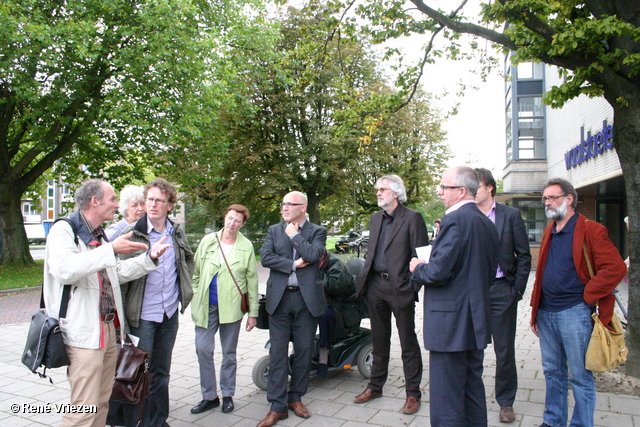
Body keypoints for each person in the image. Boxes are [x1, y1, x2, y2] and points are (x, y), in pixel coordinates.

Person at [43, 179, 170, 427]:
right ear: (95, 201)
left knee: (101, 403)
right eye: (112, 199)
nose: (116, 205)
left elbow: (114, 275)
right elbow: (65, 270)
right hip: (84, 336)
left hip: (107, 333)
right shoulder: (64, 230)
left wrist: (148, 259)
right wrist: (111, 249)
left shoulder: (96, 234)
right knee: (83, 410)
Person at [530, 178, 627, 427]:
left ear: (569, 199)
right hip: (546, 312)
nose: (548, 203)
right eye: (545, 199)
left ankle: (582, 423)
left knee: (581, 376)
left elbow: (615, 268)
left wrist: (588, 294)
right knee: (553, 372)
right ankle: (553, 421)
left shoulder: (591, 229)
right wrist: (535, 310)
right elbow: (541, 273)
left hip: (574, 313)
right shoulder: (549, 230)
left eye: (552, 197)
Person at [410, 166, 499, 427]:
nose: (440, 191)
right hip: (474, 320)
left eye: (444, 187)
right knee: (471, 389)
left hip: (450, 324)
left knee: (446, 396)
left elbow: (437, 273)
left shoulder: (455, 220)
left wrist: (418, 267)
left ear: (461, 191)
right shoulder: (485, 221)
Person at [119, 178, 195, 427]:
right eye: (149, 199)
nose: (152, 204)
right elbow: (117, 272)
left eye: (159, 200)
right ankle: (136, 421)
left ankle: (158, 421)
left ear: (170, 205)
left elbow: (187, 260)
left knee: (161, 372)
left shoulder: (176, 231)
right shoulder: (133, 233)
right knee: (139, 373)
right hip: (141, 317)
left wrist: (183, 290)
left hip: (168, 314)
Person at [353, 174, 429, 414]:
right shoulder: (375, 218)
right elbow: (373, 252)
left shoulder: (413, 218)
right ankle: (375, 386)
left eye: (383, 189)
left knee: (408, 342)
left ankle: (413, 394)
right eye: (377, 189)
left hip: (400, 288)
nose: (378, 192)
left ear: (395, 193)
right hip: (375, 287)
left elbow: (422, 257)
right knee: (379, 339)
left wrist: (412, 287)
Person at [258, 191, 327, 427]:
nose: (284, 208)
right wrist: (292, 264)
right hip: (279, 298)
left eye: (290, 204)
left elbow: (314, 254)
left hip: (306, 300)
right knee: (277, 353)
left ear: (303, 207)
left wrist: (296, 236)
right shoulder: (274, 230)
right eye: (283, 203)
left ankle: (295, 398)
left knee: (303, 351)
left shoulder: (317, 231)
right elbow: (266, 257)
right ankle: (277, 406)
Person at [474, 168, 532, 423]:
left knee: (504, 350)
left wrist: (515, 290)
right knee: (471, 347)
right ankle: (471, 397)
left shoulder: (510, 216)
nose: (472, 190)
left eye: (476, 185)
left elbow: (524, 256)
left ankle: (506, 402)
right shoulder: (466, 216)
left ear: (490, 188)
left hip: (501, 291)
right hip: (473, 290)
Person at [190, 204, 259, 414]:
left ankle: (228, 394)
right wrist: (195, 293)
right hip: (206, 306)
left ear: (242, 224)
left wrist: (253, 313)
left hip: (231, 308)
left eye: (237, 221)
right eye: (230, 218)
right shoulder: (208, 241)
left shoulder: (246, 246)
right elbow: (196, 272)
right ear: (224, 218)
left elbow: (252, 280)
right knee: (203, 349)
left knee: (229, 353)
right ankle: (209, 396)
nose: (232, 223)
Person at [317, 251, 367, 377]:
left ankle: (324, 355)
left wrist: (312, 276)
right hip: (326, 301)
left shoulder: (336, 266)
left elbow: (331, 286)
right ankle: (298, 352)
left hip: (342, 305)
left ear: (323, 256)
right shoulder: (317, 263)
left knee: (325, 315)